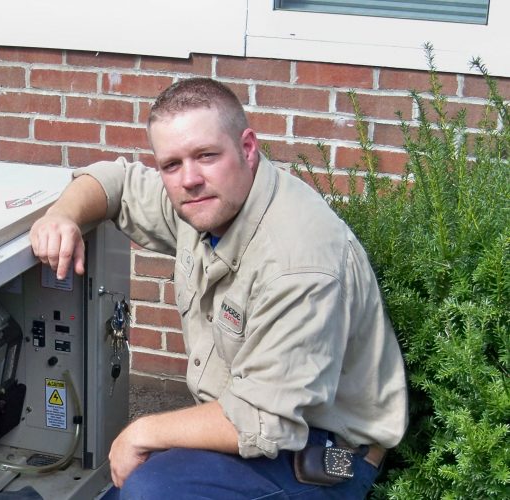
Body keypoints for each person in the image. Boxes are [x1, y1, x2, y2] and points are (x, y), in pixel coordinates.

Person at [29, 78, 408, 499]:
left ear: (247, 148)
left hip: (325, 457)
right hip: (248, 432)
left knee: (152, 489)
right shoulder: (206, 203)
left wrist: (142, 431)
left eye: (206, 155)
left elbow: (265, 422)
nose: (188, 178)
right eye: (171, 164)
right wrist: (61, 216)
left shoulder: (298, 264)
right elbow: (114, 182)